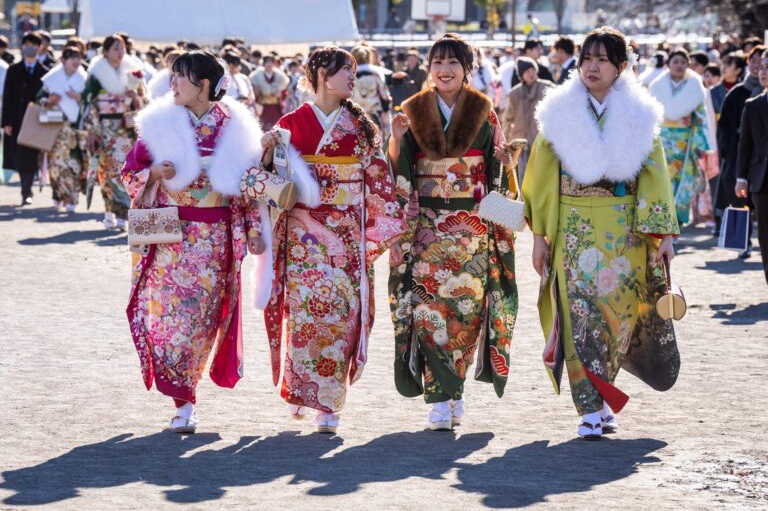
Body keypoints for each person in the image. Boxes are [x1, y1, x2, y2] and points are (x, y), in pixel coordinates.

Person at [524, 27, 679, 440]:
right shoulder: (558, 113)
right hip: (573, 228)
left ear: (621, 67)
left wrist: (663, 233)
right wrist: (540, 235)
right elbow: (541, 179)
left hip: (623, 232)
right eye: (586, 58)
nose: (592, 66)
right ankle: (590, 408)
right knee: (580, 319)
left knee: (617, 320)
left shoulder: (640, 114)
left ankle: (603, 397)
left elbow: (655, 177)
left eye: (602, 60)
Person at [253, 47, 406, 434]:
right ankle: (302, 387)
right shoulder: (290, 124)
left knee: (341, 316)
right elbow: (268, 181)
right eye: (345, 71)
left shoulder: (360, 126)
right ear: (321, 74)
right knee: (305, 316)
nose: (353, 78)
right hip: (303, 238)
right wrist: (267, 151)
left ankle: (329, 404)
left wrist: (388, 233)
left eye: (353, 71)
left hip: (347, 237)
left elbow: (378, 181)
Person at [122, 50, 272, 433]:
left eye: (181, 77)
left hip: (214, 239)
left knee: (201, 321)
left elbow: (248, 183)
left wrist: (255, 229)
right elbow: (130, 171)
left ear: (203, 84)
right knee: (171, 320)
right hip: (170, 238)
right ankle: (183, 401)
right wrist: (153, 174)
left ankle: (188, 392)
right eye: (172, 76)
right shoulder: (160, 122)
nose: (172, 83)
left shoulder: (234, 125)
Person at [388, 33, 518, 431]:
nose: (444, 70)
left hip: (472, 230)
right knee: (429, 310)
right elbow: (401, 172)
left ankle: (454, 390)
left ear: (467, 69)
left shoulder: (484, 112)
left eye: (453, 63)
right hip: (427, 228)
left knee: (465, 312)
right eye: (438, 63)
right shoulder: (413, 110)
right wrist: (395, 141)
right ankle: (438, 400)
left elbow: (497, 173)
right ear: (429, 68)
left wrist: (506, 163)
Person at [82, 34, 145, 230]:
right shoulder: (97, 73)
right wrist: (93, 130)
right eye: (116, 48)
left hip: (126, 130)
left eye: (122, 48)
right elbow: (88, 103)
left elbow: (143, 99)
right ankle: (110, 212)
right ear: (106, 51)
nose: (120, 52)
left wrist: (136, 97)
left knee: (125, 170)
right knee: (106, 171)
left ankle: (123, 214)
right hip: (105, 129)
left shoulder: (132, 70)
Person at [649, 48, 714, 226]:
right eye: (675, 62)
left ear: (688, 65)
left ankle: (677, 220)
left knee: (684, 178)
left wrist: (700, 144)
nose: (679, 65)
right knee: (663, 178)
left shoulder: (694, 86)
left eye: (683, 62)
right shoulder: (657, 85)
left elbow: (700, 117)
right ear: (668, 64)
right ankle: (663, 219)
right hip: (662, 139)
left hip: (686, 141)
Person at [715, 47, 764, 242]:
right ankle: (742, 242)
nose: (757, 66)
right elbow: (723, 126)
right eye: (753, 61)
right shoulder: (737, 93)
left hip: (762, 158)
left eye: (762, 63)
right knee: (739, 199)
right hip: (738, 155)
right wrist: (727, 150)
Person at [38, 47, 87, 212]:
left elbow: (91, 101)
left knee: (74, 164)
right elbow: (39, 97)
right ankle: (58, 195)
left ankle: (72, 198)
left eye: (78, 58)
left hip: (75, 128)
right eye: (72, 57)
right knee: (56, 165)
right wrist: (49, 100)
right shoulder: (52, 77)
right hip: (55, 126)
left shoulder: (83, 78)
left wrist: (78, 97)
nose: (76, 61)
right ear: (63, 60)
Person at [1, 32, 47, 205]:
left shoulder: (44, 72)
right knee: (19, 154)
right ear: (22, 47)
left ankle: (27, 190)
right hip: (17, 118)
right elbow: (7, 97)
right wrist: (6, 122)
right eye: (27, 44)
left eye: (33, 45)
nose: (30, 48)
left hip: (36, 120)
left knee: (31, 154)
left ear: (39, 47)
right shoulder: (13, 70)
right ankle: (25, 190)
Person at [735, 50, 768, 283]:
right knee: (765, 234)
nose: (763, 71)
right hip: (761, 179)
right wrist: (741, 178)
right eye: (762, 67)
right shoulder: (753, 105)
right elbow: (744, 144)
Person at [502, 56, 554, 181]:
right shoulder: (515, 93)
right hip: (520, 141)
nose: (531, 73)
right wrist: (506, 140)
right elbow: (507, 118)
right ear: (521, 75)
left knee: (542, 175)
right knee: (522, 176)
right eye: (527, 71)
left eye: (533, 70)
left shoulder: (548, 88)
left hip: (542, 140)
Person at [350, 43, 392, 139]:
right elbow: (384, 96)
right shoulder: (376, 73)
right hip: (373, 115)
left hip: (354, 115)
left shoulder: (349, 74)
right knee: (375, 141)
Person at [250, 55, 289, 130]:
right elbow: (253, 91)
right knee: (263, 126)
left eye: (271, 62)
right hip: (263, 106)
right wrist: (257, 91)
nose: (269, 64)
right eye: (267, 62)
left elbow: (284, 91)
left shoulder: (280, 76)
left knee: (276, 126)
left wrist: (280, 94)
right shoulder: (257, 76)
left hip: (275, 105)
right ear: (264, 63)